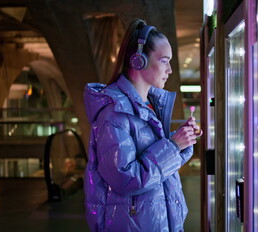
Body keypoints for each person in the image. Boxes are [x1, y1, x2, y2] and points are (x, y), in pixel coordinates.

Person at [83, 18, 202, 232]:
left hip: (154, 222)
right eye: (164, 61)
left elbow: (157, 166)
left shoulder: (148, 105)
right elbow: (126, 178)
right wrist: (173, 146)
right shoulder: (114, 113)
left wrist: (182, 141)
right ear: (138, 61)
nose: (170, 70)